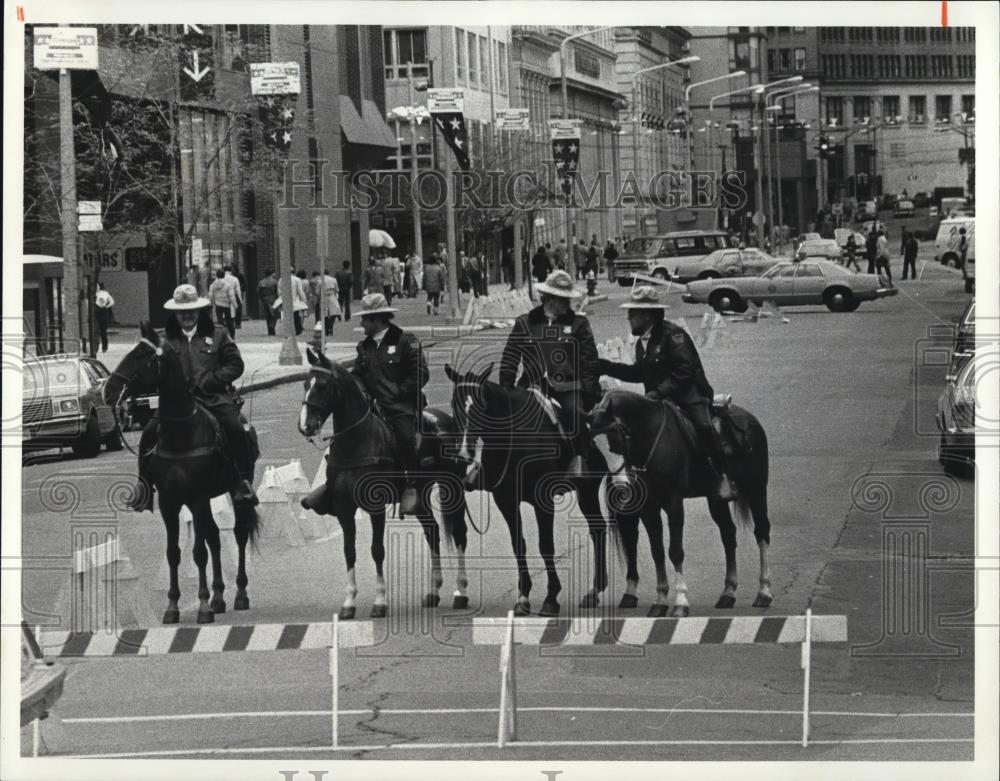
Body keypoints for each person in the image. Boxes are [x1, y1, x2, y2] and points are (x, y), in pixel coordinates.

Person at [127, 284, 258, 512]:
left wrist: (211, 379)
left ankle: (241, 482)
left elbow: (235, 365)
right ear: (175, 314)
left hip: (213, 398)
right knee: (149, 433)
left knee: (235, 429)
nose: (187, 316)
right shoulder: (163, 339)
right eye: (182, 312)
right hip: (175, 403)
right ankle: (145, 486)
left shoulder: (218, 334)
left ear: (199, 311)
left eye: (191, 311)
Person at [597, 286, 734, 500]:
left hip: (688, 397)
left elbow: (684, 371)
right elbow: (639, 373)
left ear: (648, 315)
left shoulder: (674, 335)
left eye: (633, 314)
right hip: (658, 400)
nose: (628, 318)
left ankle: (724, 477)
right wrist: (606, 366)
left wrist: (658, 392)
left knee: (705, 427)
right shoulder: (643, 341)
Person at [498, 270, 601, 477]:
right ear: (549, 299)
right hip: (532, 385)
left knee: (575, 414)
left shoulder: (579, 324)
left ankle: (579, 458)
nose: (567, 304)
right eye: (563, 299)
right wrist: (506, 389)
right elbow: (510, 356)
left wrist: (588, 389)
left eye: (568, 299)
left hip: (568, 386)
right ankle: (494, 463)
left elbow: (590, 360)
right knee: (504, 418)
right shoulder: (524, 323)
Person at [350, 293, 429, 515]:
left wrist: (397, 393)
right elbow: (357, 375)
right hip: (372, 409)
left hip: (400, 408)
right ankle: (336, 483)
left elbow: (420, 374)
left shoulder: (406, 341)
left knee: (405, 440)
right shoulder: (364, 347)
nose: (361, 324)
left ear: (378, 320)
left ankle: (413, 487)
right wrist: (363, 393)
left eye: (365, 319)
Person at [209, 269, 237, 337]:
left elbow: (210, 295)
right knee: (229, 320)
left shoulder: (213, 285)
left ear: (217, 276)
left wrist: (212, 303)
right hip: (226, 305)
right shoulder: (228, 285)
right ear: (224, 275)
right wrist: (235, 305)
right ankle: (232, 334)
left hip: (218, 304)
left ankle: (220, 335)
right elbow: (231, 295)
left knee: (219, 321)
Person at [256, 268, 279, 336]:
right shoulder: (275, 281)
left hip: (265, 299)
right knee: (275, 314)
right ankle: (272, 325)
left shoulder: (261, 282)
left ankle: (270, 331)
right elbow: (278, 291)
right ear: (271, 273)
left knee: (268, 315)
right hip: (273, 299)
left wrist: (262, 298)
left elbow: (258, 292)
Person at [94, 281, 114, 353]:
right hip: (97, 313)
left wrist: (106, 306)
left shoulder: (104, 293)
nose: (96, 287)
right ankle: (96, 346)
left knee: (103, 331)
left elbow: (111, 301)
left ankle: (104, 347)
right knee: (96, 331)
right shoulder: (94, 294)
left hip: (102, 313)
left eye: (97, 286)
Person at [321, 269, 341, 336]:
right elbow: (337, 289)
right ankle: (331, 326)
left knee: (325, 314)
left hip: (324, 297)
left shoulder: (320, 280)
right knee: (334, 312)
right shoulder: (333, 279)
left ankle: (326, 329)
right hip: (332, 296)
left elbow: (319, 291)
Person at [223, 266, 243, 332]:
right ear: (230, 271)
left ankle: (224, 325)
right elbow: (238, 290)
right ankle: (232, 326)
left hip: (222, 297)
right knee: (232, 312)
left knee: (223, 312)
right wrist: (240, 300)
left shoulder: (220, 278)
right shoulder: (235, 279)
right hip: (232, 296)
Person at [231, 263, 248, 328]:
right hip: (232, 293)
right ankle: (235, 322)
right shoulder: (232, 276)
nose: (232, 270)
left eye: (233, 268)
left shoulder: (240, 275)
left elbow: (245, 284)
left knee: (238, 308)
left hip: (238, 294)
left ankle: (238, 323)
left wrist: (241, 290)